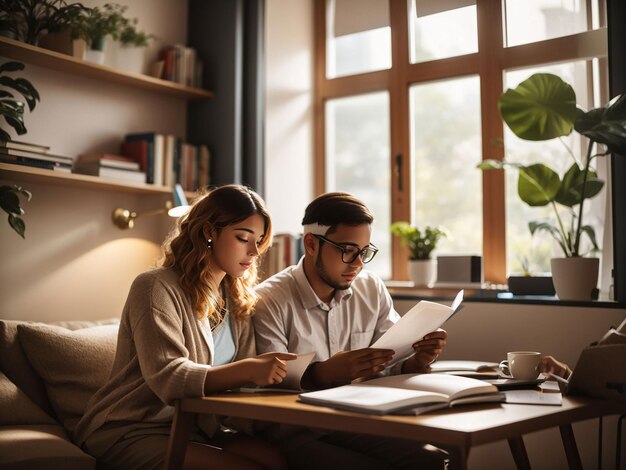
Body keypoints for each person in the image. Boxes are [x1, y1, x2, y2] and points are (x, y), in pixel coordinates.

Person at [74, 184, 296, 470]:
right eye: (243, 238)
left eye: (260, 241)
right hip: (133, 428)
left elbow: (243, 384)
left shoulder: (236, 298)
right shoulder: (155, 286)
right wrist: (251, 368)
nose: (254, 251)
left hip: (197, 428)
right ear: (208, 232)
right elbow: (169, 376)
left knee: (275, 460)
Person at [253, 191, 449, 470]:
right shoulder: (268, 299)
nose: (357, 263)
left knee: (434, 460)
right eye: (347, 250)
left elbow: (392, 360)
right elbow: (267, 384)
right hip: (296, 432)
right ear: (311, 244)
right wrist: (322, 373)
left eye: (364, 251)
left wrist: (417, 360)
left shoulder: (371, 288)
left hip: (359, 422)